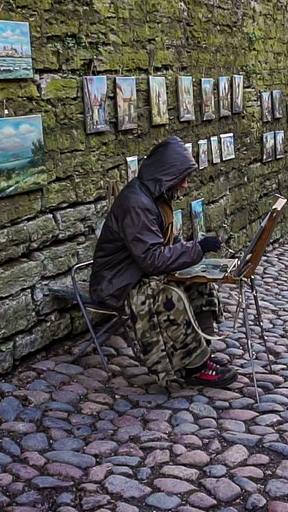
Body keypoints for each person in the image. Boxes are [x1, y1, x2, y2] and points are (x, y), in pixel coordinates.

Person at [90, 136, 238, 388]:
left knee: (197, 283)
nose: (185, 184)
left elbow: (162, 247)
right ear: (166, 174)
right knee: (167, 296)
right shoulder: (136, 204)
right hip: (117, 283)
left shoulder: (154, 198)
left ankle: (201, 353)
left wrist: (194, 254)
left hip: (135, 273)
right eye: (182, 177)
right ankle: (196, 368)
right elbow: (151, 259)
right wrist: (197, 248)